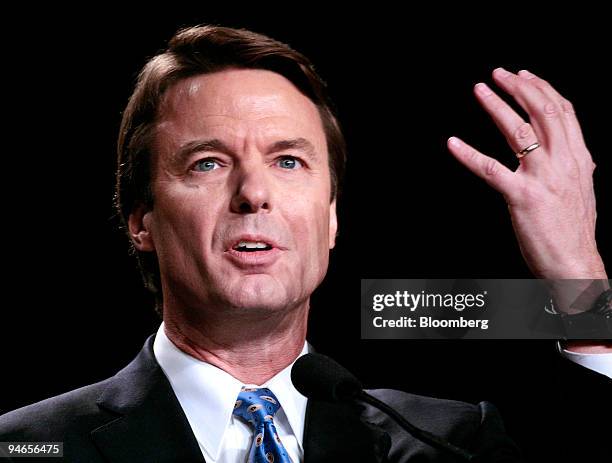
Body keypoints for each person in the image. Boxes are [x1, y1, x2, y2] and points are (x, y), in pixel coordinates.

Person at [0, 25, 609, 462]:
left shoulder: (447, 442)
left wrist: (577, 272)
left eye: (288, 161)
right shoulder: (27, 446)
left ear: (332, 218)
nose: (253, 194)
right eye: (208, 164)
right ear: (142, 221)